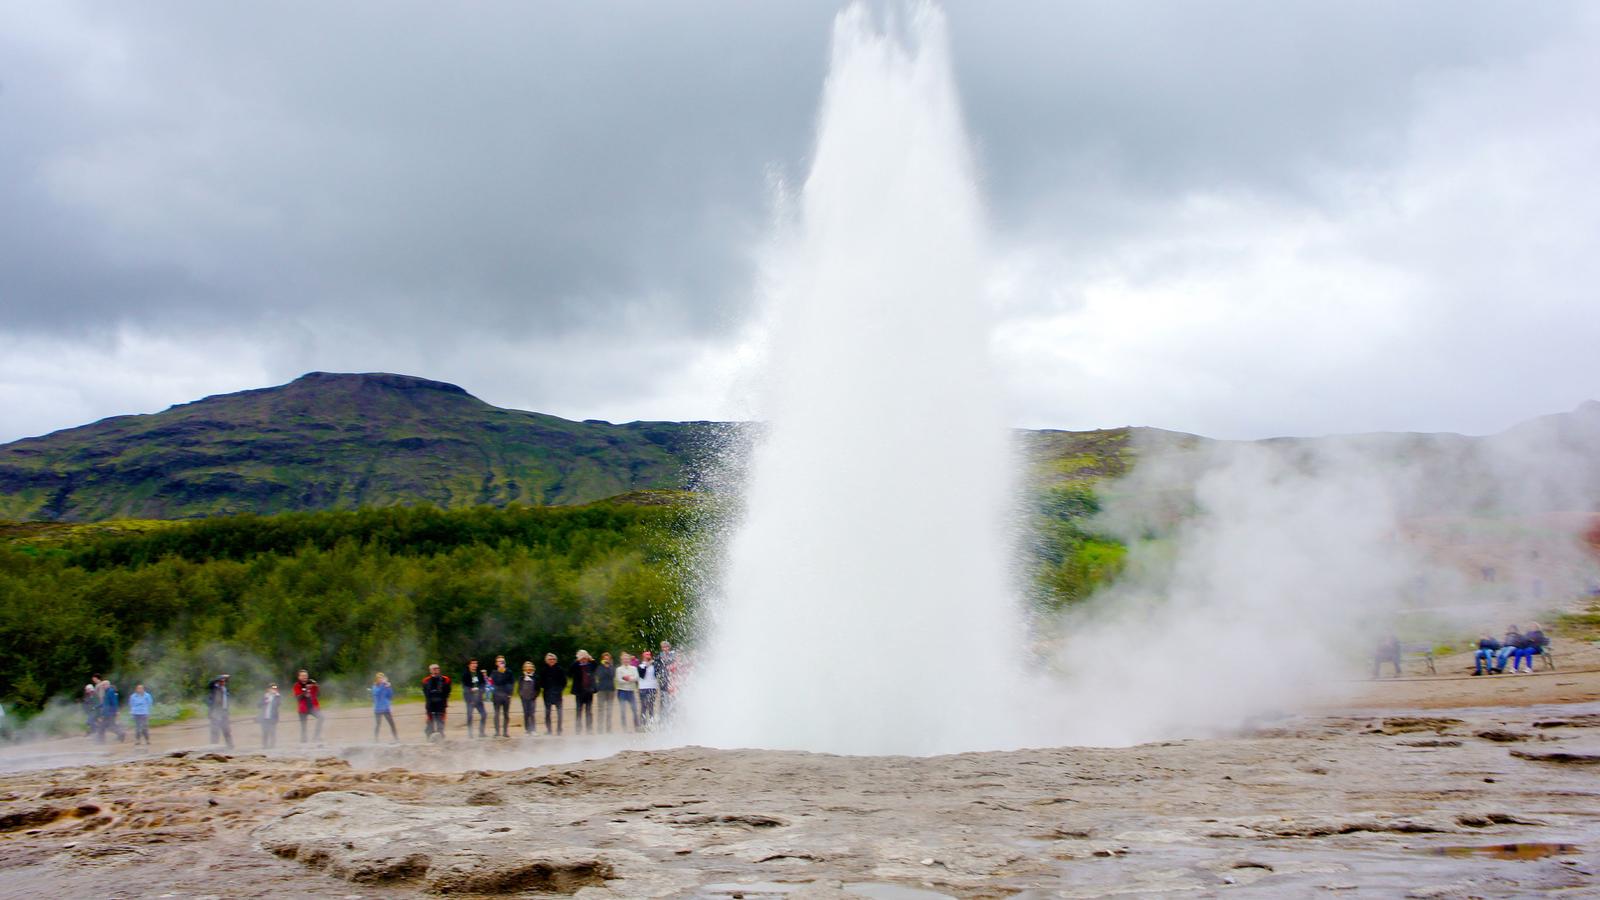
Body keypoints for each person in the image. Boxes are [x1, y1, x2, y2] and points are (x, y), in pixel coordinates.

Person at [537, 652, 567, 735]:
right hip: (547, 695)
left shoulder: (560, 669)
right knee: (547, 713)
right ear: (546, 660)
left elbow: (564, 682)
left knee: (560, 713)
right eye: (550, 659)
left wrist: (559, 690)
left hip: (558, 695)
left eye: (553, 659)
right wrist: (546, 688)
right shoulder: (543, 670)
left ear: (556, 660)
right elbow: (540, 682)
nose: (552, 661)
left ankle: (559, 730)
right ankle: (549, 730)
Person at [569, 651, 597, 734]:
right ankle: (578, 729)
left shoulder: (590, 665)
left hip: (589, 691)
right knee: (578, 711)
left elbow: (596, 666)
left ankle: (589, 729)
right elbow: (570, 671)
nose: (583, 659)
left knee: (589, 711)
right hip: (579, 692)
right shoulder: (576, 665)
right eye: (582, 658)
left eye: (585, 658)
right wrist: (577, 660)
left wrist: (591, 659)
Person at [422, 664, 452, 740]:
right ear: (430, 670)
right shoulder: (426, 680)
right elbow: (426, 693)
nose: (436, 670)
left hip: (441, 703)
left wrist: (443, 699)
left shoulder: (446, 679)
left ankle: (440, 736)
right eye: (434, 669)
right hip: (430, 704)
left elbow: (448, 691)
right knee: (430, 720)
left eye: (437, 669)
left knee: (440, 720)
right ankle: (429, 736)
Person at [293, 670, 323, 743]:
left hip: (312, 707)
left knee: (321, 718)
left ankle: (316, 736)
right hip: (303, 708)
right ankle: (304, 740)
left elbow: (318, 695)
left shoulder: (311, 683)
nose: (304, 677)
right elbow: (297, 698)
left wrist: (316, 686)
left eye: (306, 676)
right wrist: (306, 690)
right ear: (299, 677)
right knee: (304, 726)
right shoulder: (297, 685)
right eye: (302, 676)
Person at [463, 658, 489, 738]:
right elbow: (465, 686)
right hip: (470, 698)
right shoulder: (466, 674)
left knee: (484, 714)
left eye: (476, 663)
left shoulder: (479, 673)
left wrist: (480, 690)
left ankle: (481, 732)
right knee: (470, 716)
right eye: (473, 663)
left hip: (478, 698)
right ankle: (470, 733)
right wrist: (471, 689)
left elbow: (483, 684)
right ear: (469, 665)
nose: (475, 665)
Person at [206, 674, 234, 749]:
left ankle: (230, 746)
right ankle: (214, 747)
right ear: (218, 681)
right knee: (215, 730)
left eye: (224, 681)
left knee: (226, 730)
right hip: (216, 712)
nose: (223, 682)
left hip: (224, 712)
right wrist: (221, 676)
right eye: (221, 681)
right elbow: (210, 683)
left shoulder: (225, 689)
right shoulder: (215, 688)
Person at [489, 655, 514, 738]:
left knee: (506, 714)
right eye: (499, 661)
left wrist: (510, 694)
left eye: (503, 661)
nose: (501, 663)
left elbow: (511, 683)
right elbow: (493, 683)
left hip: (506, 696)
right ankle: (497, 732)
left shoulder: (509, 672)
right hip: (496, 696)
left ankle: (505, 732)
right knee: (496, 714)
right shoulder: (493, 673)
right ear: (496, 663)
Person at [372, 673, 399, 742]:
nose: (381, 679)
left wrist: (389, 687)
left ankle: (396, 738)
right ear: (377, 679)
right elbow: (377, 693)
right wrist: (382, 685)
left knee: (392, 724)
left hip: (386, 708)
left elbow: (390, 696)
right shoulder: (375, 687)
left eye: (382, 678)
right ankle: (375, 739)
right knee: (378, 724)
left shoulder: (384, 686)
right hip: (378, 709)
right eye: (380, 678)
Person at [595, 652, 617, 734]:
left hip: (610, 690)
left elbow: (612, 675)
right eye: (605, 658)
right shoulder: (599, 667)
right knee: (601, 710)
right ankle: (600, 729)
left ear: (610, 659)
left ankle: (609, 729)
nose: (606, 660)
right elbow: (600, 676)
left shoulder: (612, 667)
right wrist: (604, 666)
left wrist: (608, 667)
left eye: (608, 658)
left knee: (609, 710)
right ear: (602, 659)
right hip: (601, 690)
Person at [517, 660, 539, 736]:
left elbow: (537, 689)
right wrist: (521, 695)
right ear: (524, 668)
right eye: (527, 667)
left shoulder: (535, 677)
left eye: (530, 667)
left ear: (532, 668)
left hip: (532, 698)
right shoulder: (521, 677)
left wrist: (534, 696)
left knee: (532, 714)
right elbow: (519, 688)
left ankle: (533, 730)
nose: (528, 668)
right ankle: (527, 730)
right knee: (526, 714)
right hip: (524, 699)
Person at [637, 650, 660, 725]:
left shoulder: (654, 665)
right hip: (643, 688)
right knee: (644, 706)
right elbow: (642, 676)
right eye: (646, 654)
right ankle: (643, 723)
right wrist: (647, 665)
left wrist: (654, 663)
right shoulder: (641, 666)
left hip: (652, 688)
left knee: (651, 706)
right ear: (643, 656)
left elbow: (657, 674)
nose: (648, 656)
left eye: (649, 654)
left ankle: (651, 722)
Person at [657, 641, 677, 721]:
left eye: (666, 647)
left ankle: (671, 720)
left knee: (672, 702)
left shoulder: (673, 655)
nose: (665, 649)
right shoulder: (659, 656)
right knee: (663, 702)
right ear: (662, 648)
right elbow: (657, 668)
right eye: (663, 647)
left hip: (672, 682)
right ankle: (662, 720)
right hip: (664, 683)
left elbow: (675, 664)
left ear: (669, 647)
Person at [260, 683, 282, 749]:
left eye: (275, 688)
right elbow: (258, 704)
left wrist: (276, 695)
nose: (274, 690)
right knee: (265, 732)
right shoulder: (265, 696)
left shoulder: (277, 696)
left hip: (273, 717)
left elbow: (278, 704)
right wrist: (265, 701)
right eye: (272, 688)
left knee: (272, 732)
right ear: (268, 689)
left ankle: (272, 745)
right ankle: (265, 745)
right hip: (264, 717)